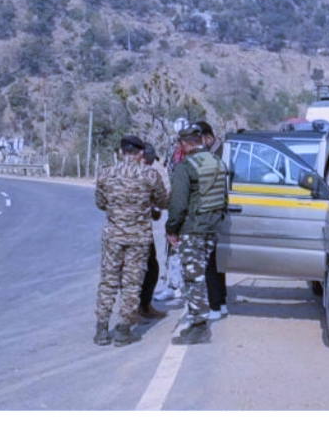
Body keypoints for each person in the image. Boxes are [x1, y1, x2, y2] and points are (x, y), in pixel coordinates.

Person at [93, 136, 170, 346]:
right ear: (140, 154)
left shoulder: (106, 173)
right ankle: (123, 330)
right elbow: (163, 201)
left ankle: (101, 329)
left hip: (113, 236)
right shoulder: (149, 175)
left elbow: (100, 203)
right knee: (131, 284)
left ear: (120, 152)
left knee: (108, 280)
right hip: (138, 237)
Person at [165, 125, 230, 345]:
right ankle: (197, 322)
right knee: (201, 273)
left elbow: (178, 204)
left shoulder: (186, 167)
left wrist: (171, 229)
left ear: (184, 143)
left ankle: (199, 327)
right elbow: (224, 197)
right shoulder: (218, 162)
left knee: (193, 278)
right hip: (211, 227)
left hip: (193, 229)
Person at [193, 120, 229, 319]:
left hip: (213, 214)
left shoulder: (219, 153)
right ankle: (220, 302)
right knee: (216, 261)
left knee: (211, 262)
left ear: (207, 137)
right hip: (216, 213)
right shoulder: (218, 152)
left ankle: (216, 305)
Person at [137, 143, 168, 320]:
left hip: (118, 233)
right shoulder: (149, 175)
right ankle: (139, 309)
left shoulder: (115, 173)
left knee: (149, 268)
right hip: (139, 231)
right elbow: (161, 203)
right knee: (143, 270)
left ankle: (144, 306)